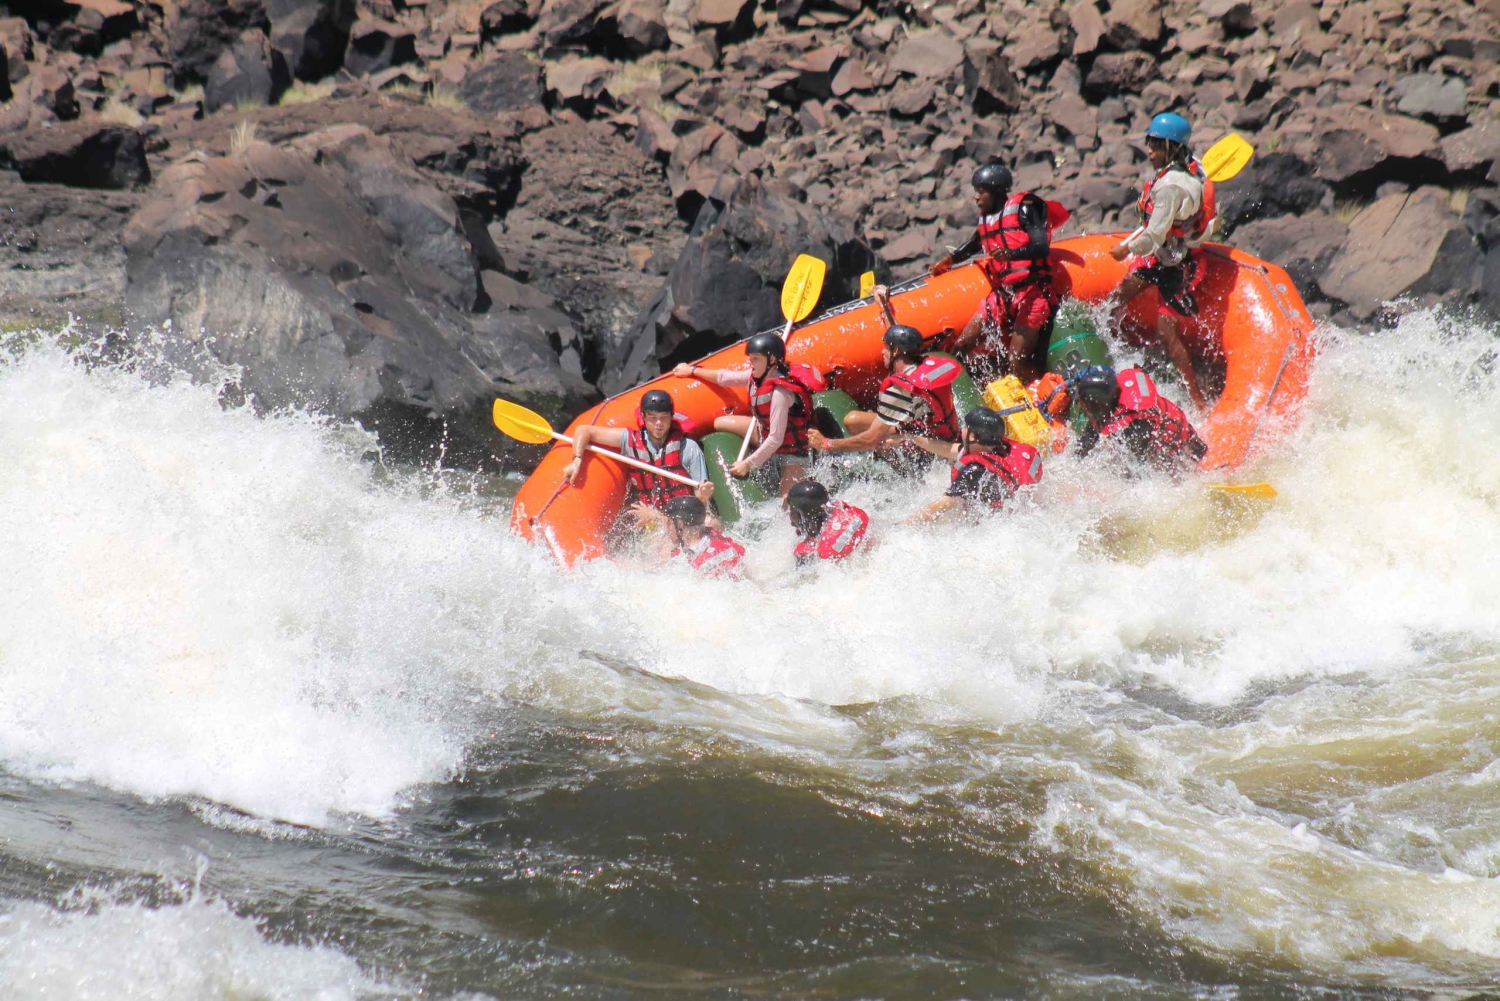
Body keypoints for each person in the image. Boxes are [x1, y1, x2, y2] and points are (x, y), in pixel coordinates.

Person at [1109, 112, 1218, 411]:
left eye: (1156, 145)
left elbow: (1155, 233)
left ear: (1172, 148)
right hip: (1159, 257)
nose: (1149, 150)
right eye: (1149, 143)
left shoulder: (1172, 187)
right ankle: (1116, 356)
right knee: (1115, 300)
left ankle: (1196, 399)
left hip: (1181, 264)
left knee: (1166, 330)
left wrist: (1126, 250)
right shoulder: (1186, 169)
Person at [930, 162, 1059, 383]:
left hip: (1032, 293)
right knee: (961, 347)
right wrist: (950, 260)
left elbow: (1041, 246)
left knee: (1015, 360)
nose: (976, 198)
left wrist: (1011, 255)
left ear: (997, 191)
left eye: (981, 191)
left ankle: (1041, 395)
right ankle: (972, 394)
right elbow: (973, 245)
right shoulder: (987, 218)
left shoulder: (1026, 207)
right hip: (1001, 295)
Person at [673, 332, 818, 499]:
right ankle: (763, 458)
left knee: (786, 502)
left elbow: (776, 439)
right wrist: (692, 370)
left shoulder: (781, 393)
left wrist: (747, 464)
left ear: (772, 360)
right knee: (721, 422)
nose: (750, 362)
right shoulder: (755, 377)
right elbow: (724, 377)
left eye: (755, 358)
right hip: (766, 433)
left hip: (793, 452)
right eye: (750, 358)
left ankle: (765, 462)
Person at [807, 324, 961, 465]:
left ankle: (907, 474)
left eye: (886, 347)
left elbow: (870, 439)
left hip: (929, 449)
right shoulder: (927, 366)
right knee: (853, 420)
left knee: (882, 439)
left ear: (896, 351)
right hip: (942, 434)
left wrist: (826, 444)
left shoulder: (898, 389)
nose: (883, 352)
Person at [564, 389, 715, 528]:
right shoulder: (630, 441)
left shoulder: (688, 448)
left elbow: (700, 502)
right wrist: (577, 459)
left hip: (684, 516)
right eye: (653, 417)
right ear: (643, 416)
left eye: (664, 418)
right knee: (662, 545)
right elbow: (583, 430)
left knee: (712, 524)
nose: (658, 424)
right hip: (649, 518)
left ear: (671, 417)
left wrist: (704, 494)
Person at [905, 407, 1043, 523]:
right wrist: (910, 438)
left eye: (966, 427)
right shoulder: (997, 447)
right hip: (1019, 510)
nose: (962, 429)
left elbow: (945, 504)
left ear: (973, 437)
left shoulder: (974, 471)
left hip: (993, 522)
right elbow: (950, 449)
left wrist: (903, 524)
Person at [1070, 366, 1207, 473]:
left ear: (1097, 405)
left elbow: (1138, 471)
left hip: (1182, 445)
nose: (1081, 408)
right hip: (1168, 430)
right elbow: (1085, 445)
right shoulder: (1111, 405)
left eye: (1084, 404)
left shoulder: (1135, 425)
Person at [786, 480, 871, 565]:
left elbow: (829, 561)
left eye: (792, 511)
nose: (790, 515)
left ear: (805, 514)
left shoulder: (841, 526)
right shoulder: (825, 513)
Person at [663, 495, 745, 579]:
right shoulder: (716, 536)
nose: (666, 527)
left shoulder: (702, 566)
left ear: (680, 524)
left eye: (669, 522)